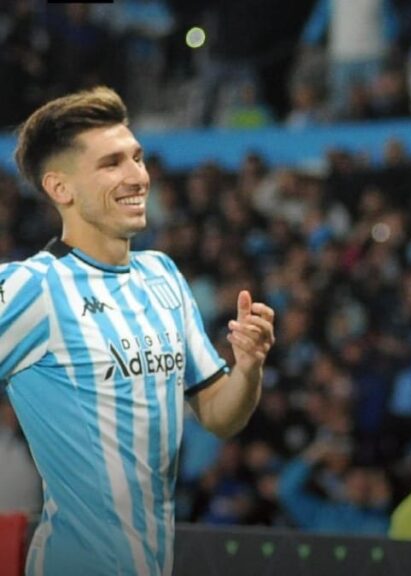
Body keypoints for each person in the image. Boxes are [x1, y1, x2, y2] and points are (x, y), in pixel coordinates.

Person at [0, 86, 275, 575]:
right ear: (60, 189)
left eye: (138, 158)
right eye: (111, 164)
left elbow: (219, 415)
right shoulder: (32, 288)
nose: (137, 176)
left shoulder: (162, 274)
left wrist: (248, 367)